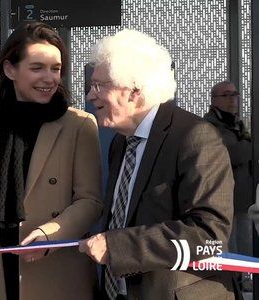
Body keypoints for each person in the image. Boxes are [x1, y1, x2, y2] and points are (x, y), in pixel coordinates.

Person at [78, 29, 239, 299]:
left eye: (99, 85)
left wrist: (119, 246)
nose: (90, 96)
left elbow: (210, 235)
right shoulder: (121, 142)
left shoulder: (194, 136)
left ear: (134, 91)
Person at [0, 22, 103, 300]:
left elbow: (90, 201)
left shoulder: (79, 125)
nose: (49, 78)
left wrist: (50, 235)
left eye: (55, 69)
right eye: (37, 68)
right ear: (10, 69)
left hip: (54, 265)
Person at [204, 80, 253, 291]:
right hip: (223, 197)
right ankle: (233, 282)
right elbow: (232, 153)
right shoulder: (209, 126)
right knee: (229, 243)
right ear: (214, 100)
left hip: (246, 197)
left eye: (235, 94)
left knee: (246, 241)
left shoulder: (239, 124)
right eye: (226, 95)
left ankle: (247, 278)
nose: (232, 98)